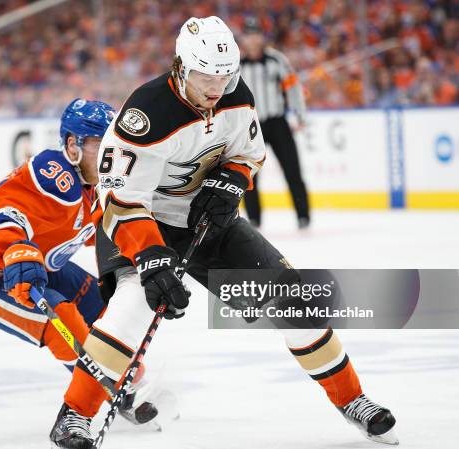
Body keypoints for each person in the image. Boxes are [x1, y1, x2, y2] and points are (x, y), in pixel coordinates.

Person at [50, 17, 398, 449]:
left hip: (206, 221)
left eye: (224, 75)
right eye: (205, 76)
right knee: (131, 309)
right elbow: (121, 201)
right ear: (180, 66)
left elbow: (248, 154)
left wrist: (232, 178)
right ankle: (73, 416)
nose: (216, 86)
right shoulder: (145, 115)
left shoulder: (237, 95)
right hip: (141, 221)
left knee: (292, 299)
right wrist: (152, 257)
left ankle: (353, 400)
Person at [0, 99, 159, 446]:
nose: (111, 153)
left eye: (114, 143)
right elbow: (1, 210)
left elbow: (101, 231)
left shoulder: (98, 183)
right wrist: (14, 248)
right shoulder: (54, 174)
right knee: (63, 322)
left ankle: (116, 381)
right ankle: (89, 405)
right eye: (100, 144)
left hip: (36, 259)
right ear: (72, 146)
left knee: (105, 309)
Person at [240, 17, 311, 229]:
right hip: (251, 128)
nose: (253, 39)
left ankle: (303, 216)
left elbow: (293, 88)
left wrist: (300, 115)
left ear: (262, 37)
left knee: (292, 170)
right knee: (249, 175)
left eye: (256, 34)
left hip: (277, 122)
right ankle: (254, 219)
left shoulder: (277, 60)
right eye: (248, 35)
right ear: (243, 39)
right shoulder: (237, 66)